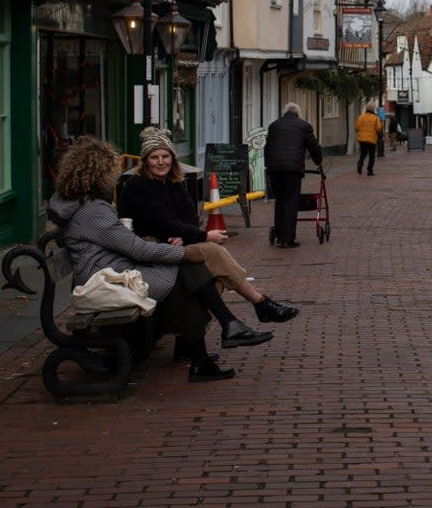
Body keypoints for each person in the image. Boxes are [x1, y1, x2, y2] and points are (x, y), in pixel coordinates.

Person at [47, 137, 271, 383]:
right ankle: (214, 341)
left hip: (110, 269)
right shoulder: (93, 209)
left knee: (188, 275)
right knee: (187, 274)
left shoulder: (82, 204)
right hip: (106, 278)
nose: (114, 176)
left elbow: (163, 227)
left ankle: (213, 344)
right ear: (98, 174)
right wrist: (184, 252)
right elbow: (137, 249)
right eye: (111, 171)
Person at [118, 127, 298, 336]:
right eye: (154, 157)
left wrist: (181, 234)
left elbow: (189, 217)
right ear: (145, 161)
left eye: (165, 156)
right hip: (147, 249)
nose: (161, 162)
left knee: (210, 273)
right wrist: (203, 235)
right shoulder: (139, 186)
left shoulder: (172, 182)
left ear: (172, 159)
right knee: (212, 254)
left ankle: (204, 339)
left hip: (169, 245)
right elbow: (160, 223)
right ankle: (259, 305)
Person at [265, 103, 324, 248]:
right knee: (291, 201)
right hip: (293, 169)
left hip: (275, 169)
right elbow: (313, 147)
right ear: (298, 113)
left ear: (284, 113)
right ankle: (288, 238)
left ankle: (279, 235)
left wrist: (269, 165)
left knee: (280, 201)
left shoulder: (274, 126)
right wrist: (319, 162)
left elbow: (267, 148)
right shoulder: (304, 126)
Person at [355, 102, 383, 176]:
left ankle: (360, 163)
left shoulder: (361, 117)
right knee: (372, 155)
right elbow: (379, 128)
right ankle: (369, 170)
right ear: (373, 109)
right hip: (372, 139)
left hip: (362, 139)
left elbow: (357, 127)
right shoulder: (376, 118)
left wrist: (361, 132)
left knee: (363, 153)